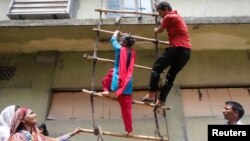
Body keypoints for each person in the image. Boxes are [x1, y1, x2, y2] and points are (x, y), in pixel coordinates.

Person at [142, 1, 191, 107]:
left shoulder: (169, 17)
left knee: (156, 68)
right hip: (186, 52)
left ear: (165, 9)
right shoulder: (177, 16)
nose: (160, 15)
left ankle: (151, 95)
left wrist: (155, 29)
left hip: (177, 48)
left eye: (160, 13)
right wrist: (156, 6)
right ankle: (161, 100)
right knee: (170, 77)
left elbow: (159, 30)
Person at [99, 30, 136, 135]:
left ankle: (106, 90)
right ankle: (129, 130)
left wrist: (115, 32)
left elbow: (113, 40)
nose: (120, 41)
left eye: (122, 40)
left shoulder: (119, 49)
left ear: (124, 43)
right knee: (126, 109)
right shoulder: (132, 52)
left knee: (105, 80)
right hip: (127, 81)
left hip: (117, 75)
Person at [6, 106, 82, 141]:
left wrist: (73, 133)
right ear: (22, 119)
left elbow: (55, 140)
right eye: (31, 113)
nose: (35, 115)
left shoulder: (37, 136)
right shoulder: (16, 138)